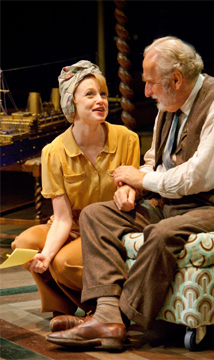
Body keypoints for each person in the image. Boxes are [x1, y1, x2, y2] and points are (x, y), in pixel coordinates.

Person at [46, 37, 214, 350]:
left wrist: (142, 181)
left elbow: (201, 176)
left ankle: (117, 319)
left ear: (176, 79)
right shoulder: (169, 105)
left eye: (150, 83)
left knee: (162, 234)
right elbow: (155, 162)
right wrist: (131, 187)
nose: (146, 91)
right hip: (169, 201)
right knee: (98, 215)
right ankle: (106, 312)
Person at [11, 60, 140, 323]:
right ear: (72, 103)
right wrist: (45, 254)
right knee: (24, 245)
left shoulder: (127, 139)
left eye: (102, 93)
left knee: (64, 263)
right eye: (90, 94)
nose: (100, 100)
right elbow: (61, 218)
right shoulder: (54, 151)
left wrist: (129, 192)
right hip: (71, 225)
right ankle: (64, 307)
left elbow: (132, 189)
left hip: (107, 227)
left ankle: (103, 310)